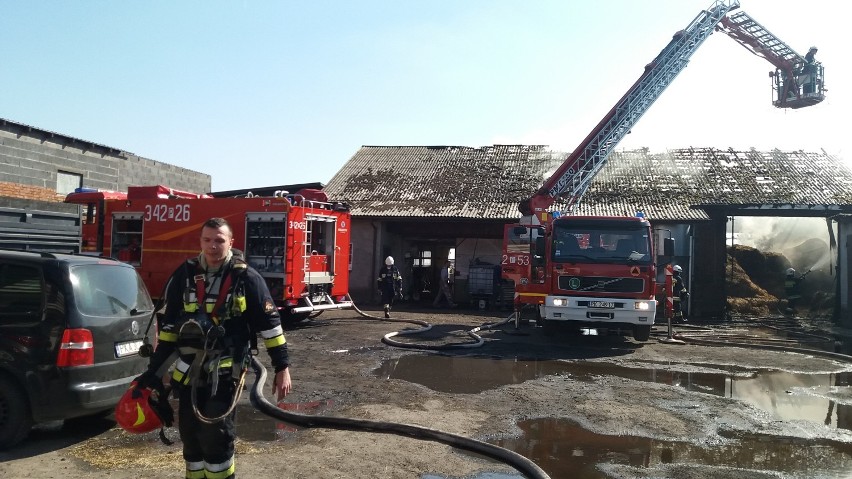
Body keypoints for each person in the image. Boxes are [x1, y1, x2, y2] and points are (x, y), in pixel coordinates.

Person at [133, 217, 291, 479]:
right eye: (207, 240)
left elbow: (271, 328)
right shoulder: (183, 275)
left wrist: (282, 367)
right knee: (190, 436)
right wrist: (153, 374)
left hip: (226, 370)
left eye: (219, 240)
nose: (213, 246)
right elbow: (170, 329)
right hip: (188, 369)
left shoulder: (246, 278)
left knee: (216, 435)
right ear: (201, 241)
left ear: (231, 242)